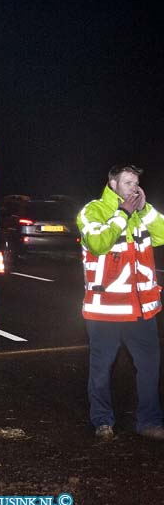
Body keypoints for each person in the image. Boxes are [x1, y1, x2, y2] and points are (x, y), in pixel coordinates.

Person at [77, 164, 164, 440]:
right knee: (101, 369)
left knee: (150, 368)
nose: (134, 188)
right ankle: (102, 421)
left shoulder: (140, 214)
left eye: (137, 183)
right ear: (113, 184)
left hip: (141, 312)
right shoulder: (92, 211)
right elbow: (98, 242)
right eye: (128, 183)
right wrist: (123, 214)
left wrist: (144, 208)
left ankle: (149, 422)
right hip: (106, 312)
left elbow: (163, 233)